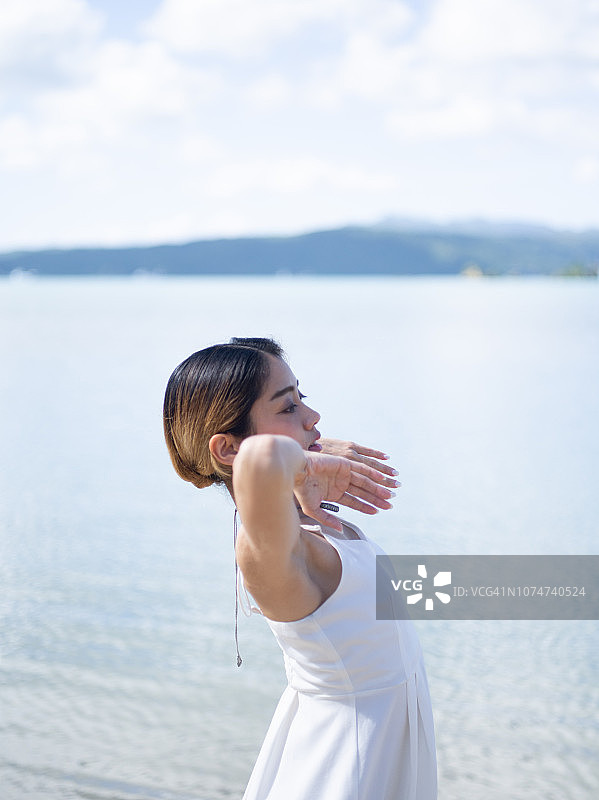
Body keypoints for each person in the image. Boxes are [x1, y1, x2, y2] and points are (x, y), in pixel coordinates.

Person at [163, 337, 437, 800]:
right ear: (228, 449)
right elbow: (262, 461)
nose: (313, 417)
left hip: (371, 750)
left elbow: (381, 605)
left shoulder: (311, 528)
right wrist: (304, 462)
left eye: (301, 397)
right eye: (288, 407)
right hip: (344, 771)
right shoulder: (269, 553)